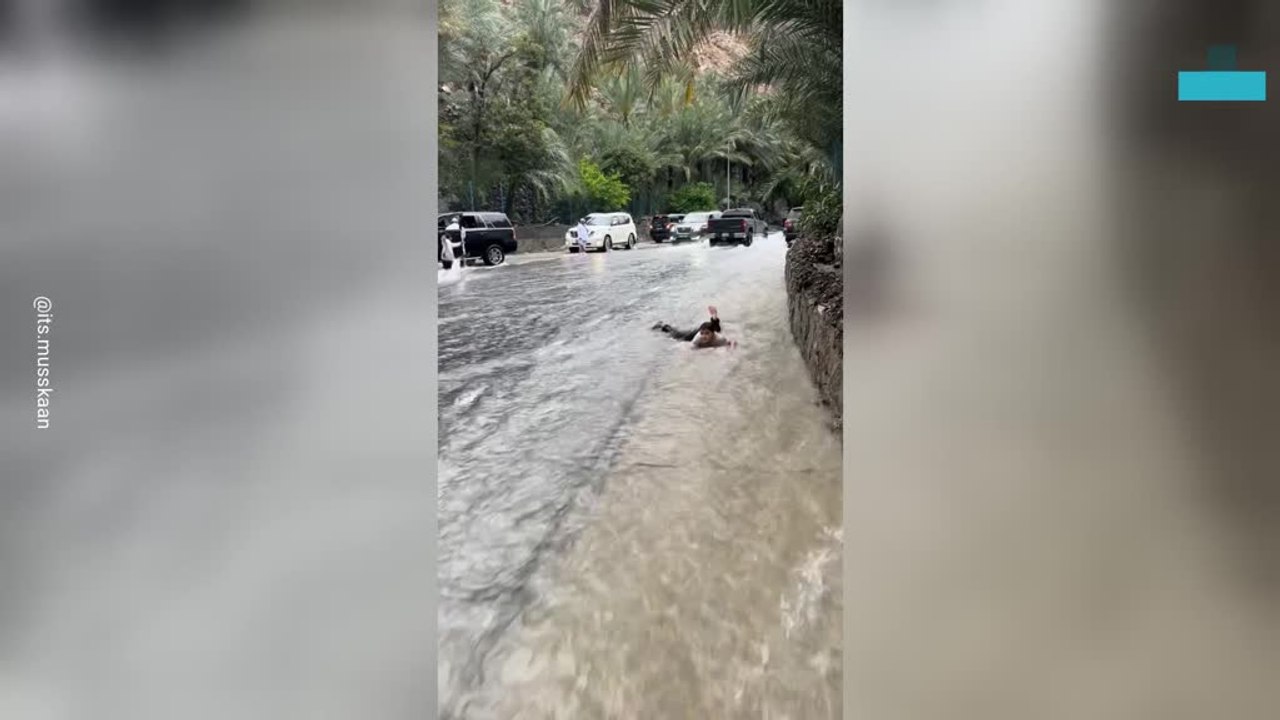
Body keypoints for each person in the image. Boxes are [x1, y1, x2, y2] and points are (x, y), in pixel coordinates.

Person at [652, 305, 736, 348]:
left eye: (706, 334)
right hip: (694, 332)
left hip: (710, 329)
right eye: (703, 334)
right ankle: (663, 325)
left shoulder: (720, 338)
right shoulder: (698, 337)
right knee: (676, 335)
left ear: (712, 333)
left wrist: (732, 346)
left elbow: (731, 343)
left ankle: (714, 317)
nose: (704, 336)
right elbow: (692, 347)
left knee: (717, 329)